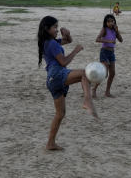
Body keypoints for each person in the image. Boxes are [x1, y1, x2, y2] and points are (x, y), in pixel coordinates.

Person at [37, 15, 99, 150]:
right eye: (54, 27)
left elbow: (67, 41)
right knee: (85, 73)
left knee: (60, 114)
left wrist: (68, 34)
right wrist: (75, 51)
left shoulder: (49, 42)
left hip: (52, 80)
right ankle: (87, 100)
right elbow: (63, 62)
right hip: (57, 74)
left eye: (57, 27)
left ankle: (50, 143)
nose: (57, 30)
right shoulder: (52, 43)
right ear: (47, 29)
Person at [93, 13, 123, 98]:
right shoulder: (104, 29)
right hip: (104, 52)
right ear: (105, 23)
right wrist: (109, 41)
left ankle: (107, 92)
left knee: (112, 73)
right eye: (108, 21)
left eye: (112, 21)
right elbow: (97, 39)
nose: (110, 23)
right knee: (104, 74)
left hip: (111, 53)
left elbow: (121, 40)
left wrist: (117, 31)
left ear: (114, 22)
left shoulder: (114, 30)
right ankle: (94, 89)